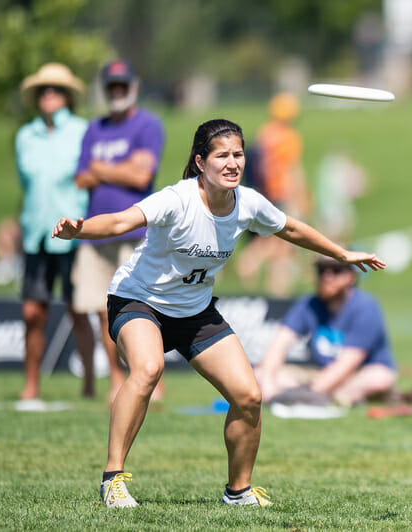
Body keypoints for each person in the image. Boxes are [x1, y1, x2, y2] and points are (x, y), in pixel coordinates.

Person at [51, 118, 385, 509]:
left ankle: (238, 491)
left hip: (194, 311)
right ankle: (113, 479)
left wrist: (341, 254)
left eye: (238, 155)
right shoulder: (177, 199)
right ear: (199, 162)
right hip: (139, 300)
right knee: (147, 369)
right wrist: (81, 229)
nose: (233, 163)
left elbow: (290, 229)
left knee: (248, 395)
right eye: (222, 156)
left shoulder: (248, 202)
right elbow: (124, 220)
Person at [72, 59, 166, 404]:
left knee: (146, 308)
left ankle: (153, 380)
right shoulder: (94, 128)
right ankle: (116, 379)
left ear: (134, 87)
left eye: (122, 86)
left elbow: (142, 177)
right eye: (111, 86)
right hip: (96, 233)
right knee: (101, 311)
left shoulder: (148, 125)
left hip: (136, 232)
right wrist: (119, 168)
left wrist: (101, 168)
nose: (117, 91)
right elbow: (81, 178)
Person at [15, 62, 95, 401]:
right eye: (44, 90)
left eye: (56, 90)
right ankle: (31, 385)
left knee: (79, 309)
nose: (49, 95)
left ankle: (89, 382)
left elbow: (88, 180)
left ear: (67, 96)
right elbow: (26, 183)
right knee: (32, 312)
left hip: (71, 232)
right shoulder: (25, 136)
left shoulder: (82, 131)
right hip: (36, 232)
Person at [254, 256, 397, 406]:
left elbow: (349, 362)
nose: (327, 277)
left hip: (357, 373)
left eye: (336, 270)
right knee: (260, 373)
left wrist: (312, 392)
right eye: (321, 271)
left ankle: (326, 397)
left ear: (352, 276)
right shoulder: (308, 304)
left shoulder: (365, 307)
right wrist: (268, 387)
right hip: (320, 371)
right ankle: (331, 397)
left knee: (380, 378)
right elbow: (279, 345)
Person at [236, 93, 311, 296]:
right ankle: (252, 267)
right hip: (281, 196)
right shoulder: (288, 137)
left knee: (279, 246)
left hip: (263, 194)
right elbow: (291, 171)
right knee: (279, 244)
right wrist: (301, 198)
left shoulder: (265, 134)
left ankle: (275, 291)